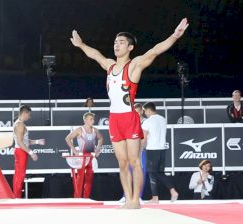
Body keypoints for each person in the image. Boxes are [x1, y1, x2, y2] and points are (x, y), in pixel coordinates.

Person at [71, 18, 188, 208]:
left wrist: (174, 36)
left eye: (121, 42)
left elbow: (155, 50)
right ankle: (128, 198)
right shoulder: (109, 65)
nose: (117, 45)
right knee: (122, 162)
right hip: (114, 119)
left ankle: (136, 200)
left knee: (134, 161)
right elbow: (95, 55)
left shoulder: (134, 65)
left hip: (130, 118)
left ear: (130, 48)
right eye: (115, 42)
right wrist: (81, 44)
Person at [142, 102, 179, 203]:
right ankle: (155, 197)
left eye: (144, 111)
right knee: (158, 173)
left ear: (148, 110)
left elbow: (144, 139)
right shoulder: (163, 119)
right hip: (162, 149)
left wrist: (140, 149)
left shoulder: (147, 122)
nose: (144, 113)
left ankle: (171, 191)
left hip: (152, 150)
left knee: (153, 173)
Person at [65, 112, 104, 198]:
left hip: (90, 157)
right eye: (91, 119)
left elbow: (101, 138)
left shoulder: (95, 130)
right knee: (80, 179)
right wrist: (74, 150)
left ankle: (86, 198)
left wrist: (97, 149)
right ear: (85, 120)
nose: (93, 121)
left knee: (89, 180)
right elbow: (67, 138)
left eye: (93, 119)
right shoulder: (79, 130)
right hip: (82, 157)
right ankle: (77, 198)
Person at [13, 105, 46, 198]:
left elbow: (25, 141)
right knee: (20, 175)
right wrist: (31, 153)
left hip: (20, 150)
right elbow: (20, 142)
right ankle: (16, 197)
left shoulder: (19, 124)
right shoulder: (20, 125)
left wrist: (37, 141)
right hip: (21, 151)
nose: (29, 117)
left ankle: (16, 196)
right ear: (24, 113)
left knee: (18, 175)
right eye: (29, 115)